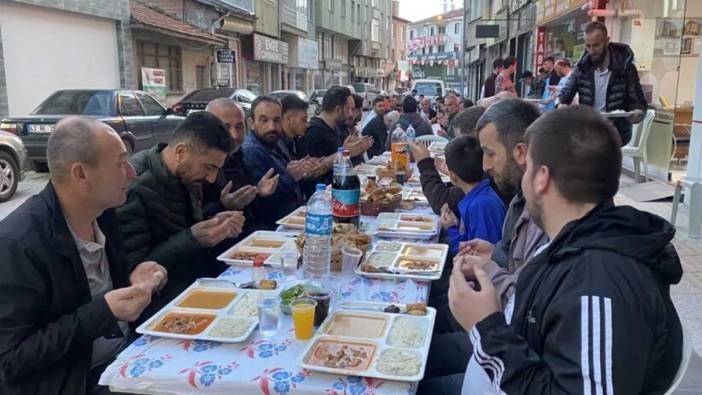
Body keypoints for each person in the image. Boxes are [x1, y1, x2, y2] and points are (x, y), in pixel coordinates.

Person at [451, 105, 682, 394]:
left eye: (529, 167)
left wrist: (487, 328)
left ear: (541, 178)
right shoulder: (565, 248)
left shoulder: (599, 282)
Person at [0, 117, 164, 394]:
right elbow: (10, 361)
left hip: (126, 356)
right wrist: (103, 312)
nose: (132, 172)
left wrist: (135, 281)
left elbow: (100, 291)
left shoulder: (104, 212)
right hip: (78, 381)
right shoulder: (18, 244)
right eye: (121, 163)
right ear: (81, 175)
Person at [418, 100, 546, 391]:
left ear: (523, 153)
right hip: (498, 347)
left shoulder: (557, 231)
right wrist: (495, 252)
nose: (484, 165)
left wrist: (486, 327)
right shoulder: (520, 202)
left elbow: (522, 304)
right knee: (420, 347)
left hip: (500, 351)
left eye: (488, 152)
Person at [118, 112, 245, 314]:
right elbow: (135, 271)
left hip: (198, 283)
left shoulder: (187, 174)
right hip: (162, 304)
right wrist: (193, 238)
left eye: (217, 170)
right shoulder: (133, 188)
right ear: (181, 152)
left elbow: (186, 226)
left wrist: (215, 220)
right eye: (209, 167)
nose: (212, 179)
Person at [559, 21, 647, 145]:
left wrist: (636, 114)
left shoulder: (626, 68)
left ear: (607, 41)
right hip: (589, 130)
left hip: (617, 132)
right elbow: (565, 96)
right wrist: (562, 104)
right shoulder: (582, 68)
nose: (591, 51)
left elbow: (638, 103)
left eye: (596, 45)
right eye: (588, 46)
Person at [201, 99, 280, 236]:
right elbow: (191, 222)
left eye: (239, 127)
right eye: (225, 128)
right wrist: (223, 205)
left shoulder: (239, 157)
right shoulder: (198, 163)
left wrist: (259, 193)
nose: (234, 135)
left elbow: (255, 213)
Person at [242, 96, 314, 228]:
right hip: (276, 228)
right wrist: (290, 176)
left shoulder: (276, 144)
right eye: (264, 120)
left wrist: (304, 172)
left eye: (276, 120)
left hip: (295, 217)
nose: (271, 127)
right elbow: (263, 206)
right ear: (251, 123)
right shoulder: (252, 151)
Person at [439, 136, 506, 255]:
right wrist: (456, 225)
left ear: (452, 175)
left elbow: (474, 255)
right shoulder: (481, 195)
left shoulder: (480, 206)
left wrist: (451, 229)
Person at [303, 86, 371, 185]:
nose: (351, 115)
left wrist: (355, 149)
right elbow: (313, 170)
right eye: (349, 110)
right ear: (338, 109)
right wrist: (345, 153)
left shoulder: (336, 128)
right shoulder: (315, 132)